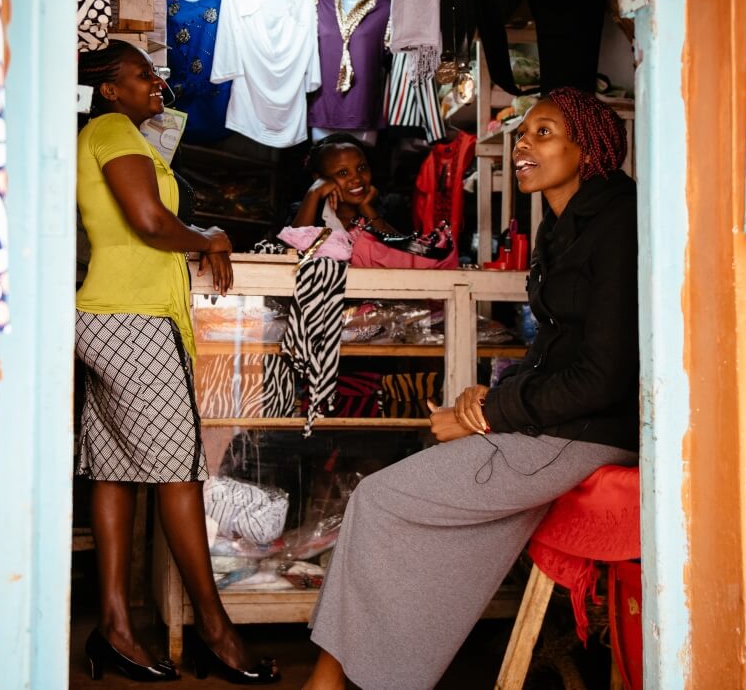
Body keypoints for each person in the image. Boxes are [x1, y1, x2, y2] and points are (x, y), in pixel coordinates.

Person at [301, 88, 639, 690]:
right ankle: (366, 674)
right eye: (523, 133)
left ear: (587, 148)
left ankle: (330, 682)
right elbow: (554, 348)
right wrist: (484, 399)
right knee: (412, 519)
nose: (523, 145)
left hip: (585, 432)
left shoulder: (616, 223)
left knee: (377, 500)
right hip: (553, 424)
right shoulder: (564, 225)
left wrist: (489, 414)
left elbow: (605, 375)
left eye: (543, 132)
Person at [75, 39, 280, 684]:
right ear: (110, 89)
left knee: (114, 469)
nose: (156, 82)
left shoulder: (112, 133)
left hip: (106, 316)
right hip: (133, 321)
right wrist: (208, 237)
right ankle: (217, 632)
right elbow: (148, 220)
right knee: (180, 476)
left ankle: (112, 627)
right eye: (142, 75)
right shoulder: (113, 129)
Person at [292, 133, 396, 234]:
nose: (357, 179)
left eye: (362, 168)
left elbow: (405, 250)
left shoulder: (390, 207)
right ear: (320, 179)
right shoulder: (305, 210)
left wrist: (368, 209)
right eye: (343, 173)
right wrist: (314, 192)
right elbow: (293, 248)